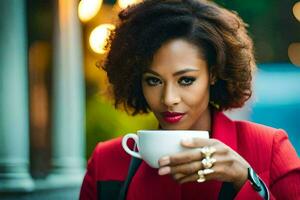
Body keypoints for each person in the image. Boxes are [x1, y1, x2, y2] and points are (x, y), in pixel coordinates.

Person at [79, 0, 300, 199]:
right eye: (154, 81)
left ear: (213, 74)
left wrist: (246, 179)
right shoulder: (106, 162)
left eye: (185, 80)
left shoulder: (269, 149)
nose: (169, 99)